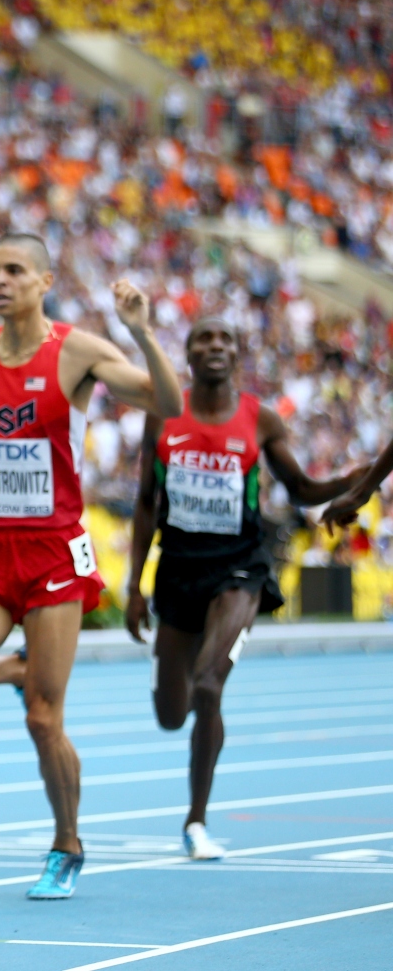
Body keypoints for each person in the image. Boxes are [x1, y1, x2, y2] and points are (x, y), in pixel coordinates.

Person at [0, 232, 182, 900]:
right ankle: (9, 669)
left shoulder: (77, 350)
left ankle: (67, 842)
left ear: (45, 280)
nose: (0, 280)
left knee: (43, 719)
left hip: (54, 553)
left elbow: (168, 404)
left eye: (14, 270)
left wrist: (142, 332)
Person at [129, 318, 365, 858]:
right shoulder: (163, 414)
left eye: (224, 341)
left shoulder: (258, 418)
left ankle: (195, 822)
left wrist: (360, 477)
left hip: (240, 567)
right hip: (178, 568)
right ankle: (183, 690)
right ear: (186, 357)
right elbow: (145, 504)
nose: (214, 347)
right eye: (202, 341)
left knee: (210, 686)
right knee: (171, 713)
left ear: (237, 355)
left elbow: (301, 487)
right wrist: (135, 587)